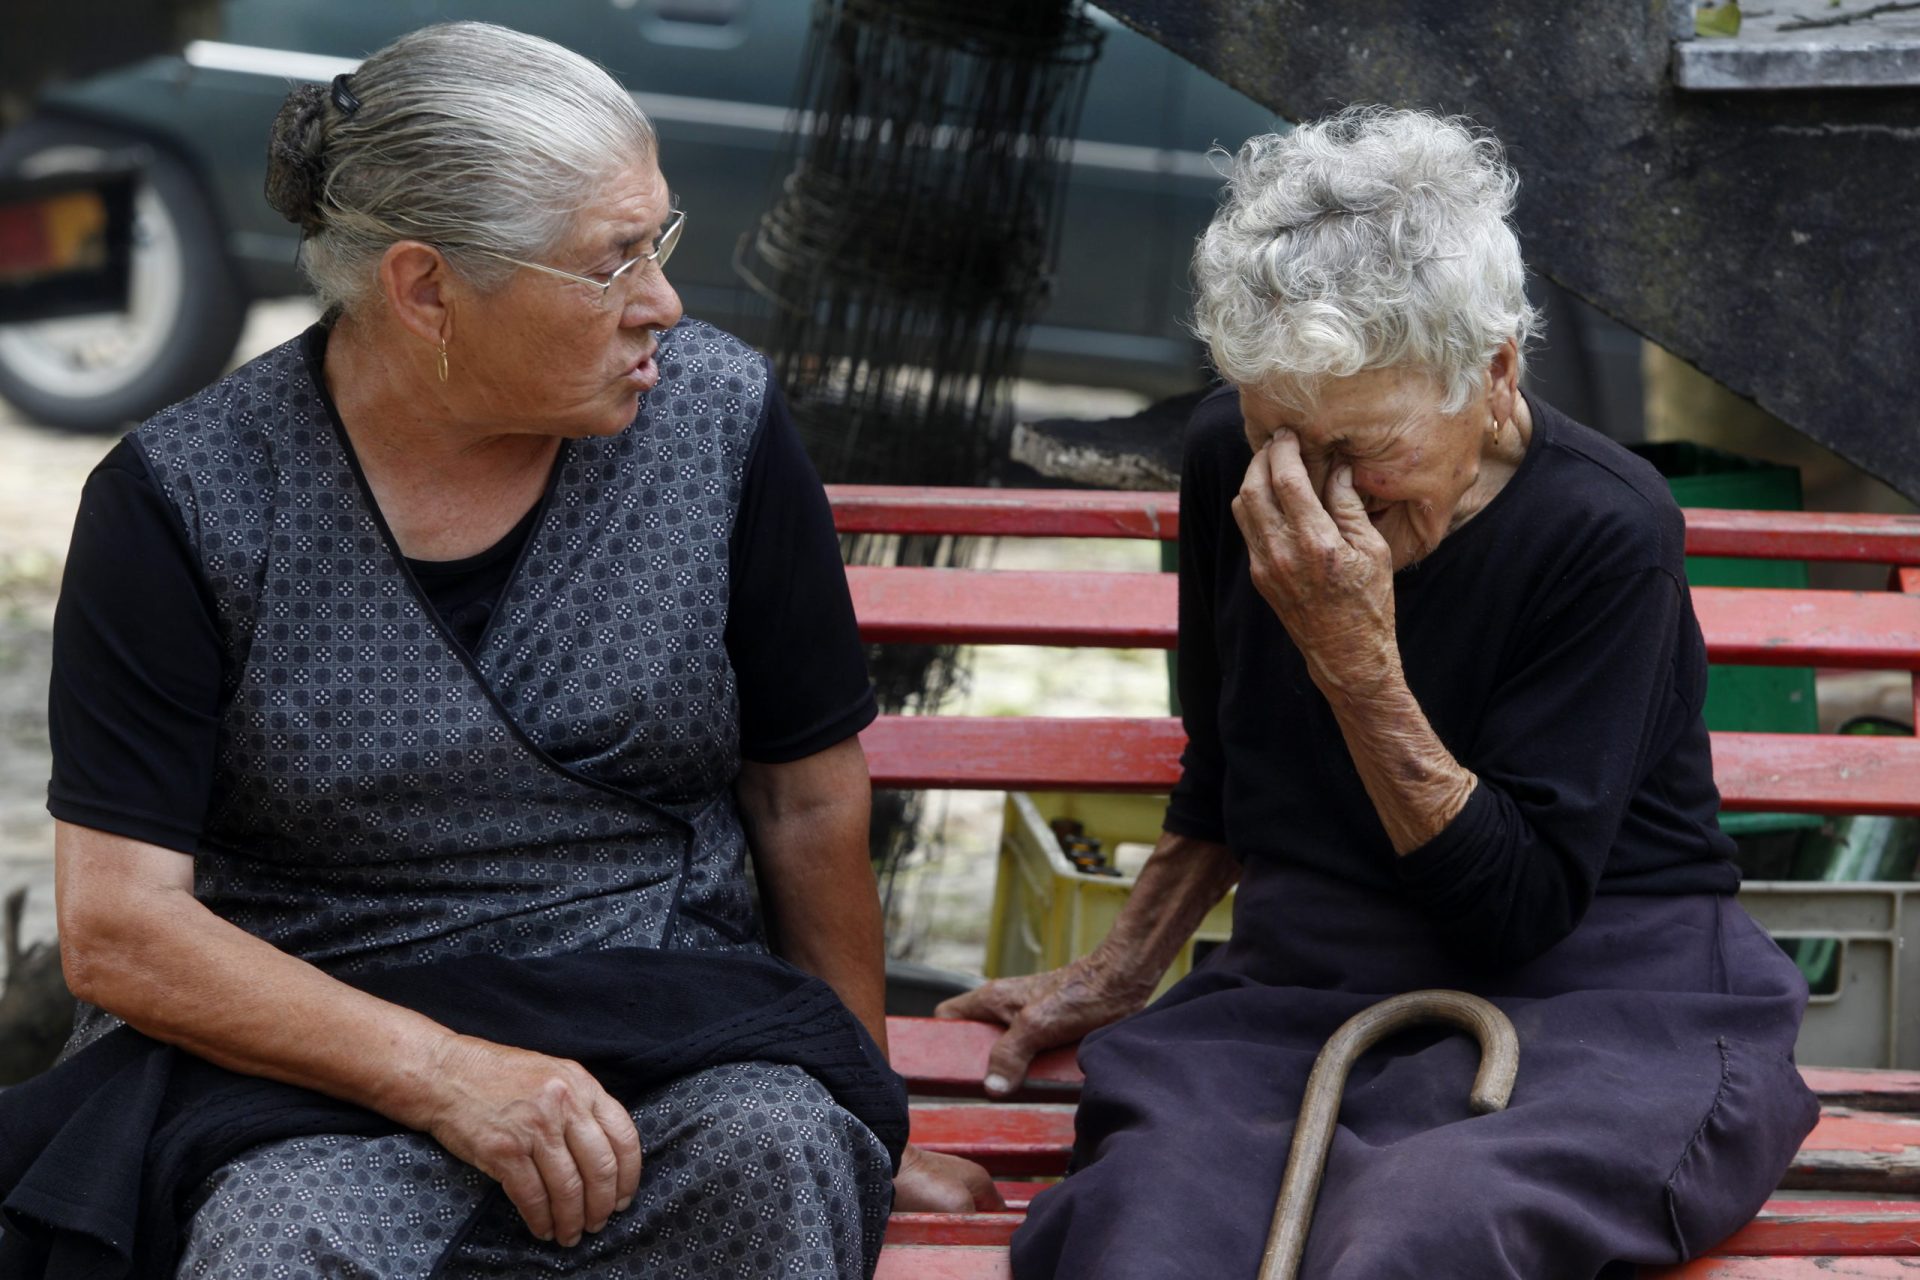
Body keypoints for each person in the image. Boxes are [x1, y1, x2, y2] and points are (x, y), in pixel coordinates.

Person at [4, 22, 992, 1280]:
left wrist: (870, 1094)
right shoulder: (186, 501)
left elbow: (803, 795)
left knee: (775, 1153)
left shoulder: (715, 423)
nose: (663, 303)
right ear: (425, 290)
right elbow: (123, 928)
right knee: (275, 1239)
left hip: (669, 1009)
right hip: (315, 1052)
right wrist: (447, 1075)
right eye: (611, 262)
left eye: (660, 241)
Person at [939, 106, 1819, 1278]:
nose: (1312, 493)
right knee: (1149, 1226)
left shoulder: (1605, 525)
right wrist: (1121, 966)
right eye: (1279, 437)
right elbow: (1229, 750)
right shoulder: (1232, 462)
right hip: (1307, 972)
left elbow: (1515, 908)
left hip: (1602, 992)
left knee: (1423, 1230)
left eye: (1362, 450)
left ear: (1495, 373)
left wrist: (1357, 661)